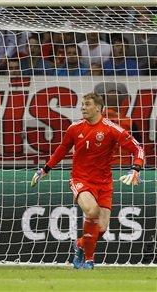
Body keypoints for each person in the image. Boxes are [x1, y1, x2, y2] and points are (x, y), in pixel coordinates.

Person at [31, 92, 145, 270]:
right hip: (80, 179)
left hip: (104, 182)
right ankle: (89, 261)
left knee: (102, 228)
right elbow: (62, 148)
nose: (83, 107)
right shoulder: (74, 128)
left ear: (98, 108)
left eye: (87, 104)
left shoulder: (111, 129)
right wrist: (46, 168)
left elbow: (137, 149)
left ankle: (80, 244)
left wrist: (135, 169)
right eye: (82, 104)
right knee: (92, 211)